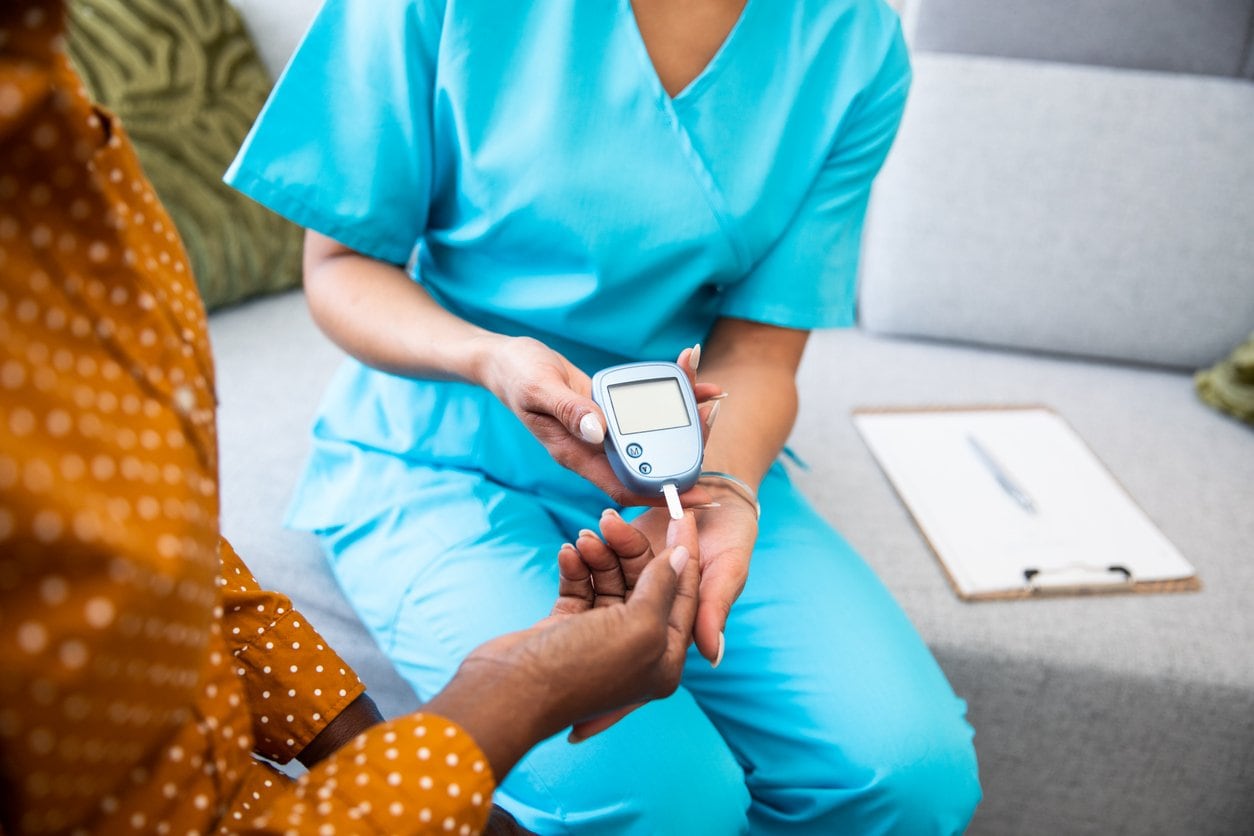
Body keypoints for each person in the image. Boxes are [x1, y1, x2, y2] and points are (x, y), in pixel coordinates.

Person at [228, 0, 983, 832]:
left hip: (685, 462)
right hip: (441, 450)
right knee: (667, 802)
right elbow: (339, 265)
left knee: (907, 775)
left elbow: (762, 354)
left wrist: (724, 486)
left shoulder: (849, 37)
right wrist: (488, 356)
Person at [0, 2, 707, 833]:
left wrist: (388, 751)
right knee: (672, 800)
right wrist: (510, 698)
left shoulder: (63, 132)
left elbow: (171, 559)